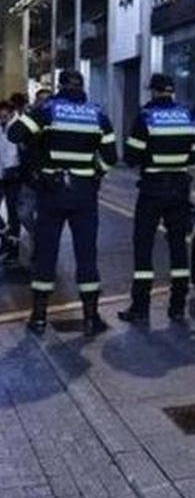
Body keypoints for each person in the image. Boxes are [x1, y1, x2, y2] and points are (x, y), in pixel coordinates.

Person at [8, 70, 117, 336]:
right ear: (82, 87)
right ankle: (91, 318)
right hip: (84, 194)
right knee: (86, 255)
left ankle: (39, 318)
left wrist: (37, 149)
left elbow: (14, 134)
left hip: (51, 192)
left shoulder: (47, 110)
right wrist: (94, 175)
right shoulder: (98, 114)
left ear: (60, 86)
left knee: (46, 254)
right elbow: (110, 157)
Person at [118, 73, 195, 324]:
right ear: (172, 91)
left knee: (143, 246)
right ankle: (177, 307)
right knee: (178, 246)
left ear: (153, 91)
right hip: (180, 189)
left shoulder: (146, 117)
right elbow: (194, 156)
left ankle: (140, 307)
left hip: (152, 190)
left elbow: (131, 157)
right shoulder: (188, 116)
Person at [13, 89, 50, 264]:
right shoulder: (29, 119)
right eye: (40, 100)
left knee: (45, 217)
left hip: (48, 179)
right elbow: (15, 137)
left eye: (47, 100)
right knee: (24, 214)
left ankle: (41, 250)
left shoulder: (54, 121)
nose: (43, 103)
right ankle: (36, 237)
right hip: (29, 177)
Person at [0, 101, 21, 264]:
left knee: (14, 213)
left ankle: (12, 251)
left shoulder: (20, 126)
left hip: (15, 175)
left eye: (4, 115)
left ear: (12, 112)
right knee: (13, 215)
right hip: (1, 173)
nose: (2, 118)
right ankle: (5, 233)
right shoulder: (1, 126)